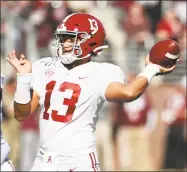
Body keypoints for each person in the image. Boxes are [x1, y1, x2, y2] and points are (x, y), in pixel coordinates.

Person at [6, 13, 175, 171]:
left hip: (78, 162)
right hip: (44, 160)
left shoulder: (101, 72)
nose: (65, 44)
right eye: (64, 38)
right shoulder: (44, 66)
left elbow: (129, 92)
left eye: (72, 40)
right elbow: (21, 114)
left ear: (90, 42)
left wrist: (151, 69)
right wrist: (23, 78)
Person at [1, 73, 15, 171]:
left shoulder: (14, 96)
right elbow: (8, 112)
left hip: (15, 129)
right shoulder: (5, 95)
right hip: (6, 128)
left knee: (15, 154)